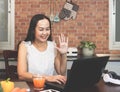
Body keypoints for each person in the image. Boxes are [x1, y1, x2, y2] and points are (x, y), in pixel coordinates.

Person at [17, 14, 68, 84]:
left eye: (47, 29)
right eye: (41, 29)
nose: (45, 33)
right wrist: (47, 78)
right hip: (32, 86)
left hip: (49, 87)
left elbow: (61, 73)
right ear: (33, 30)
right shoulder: (24, 46)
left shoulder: (53, 45)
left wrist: (64, 54)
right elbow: (21, 75)